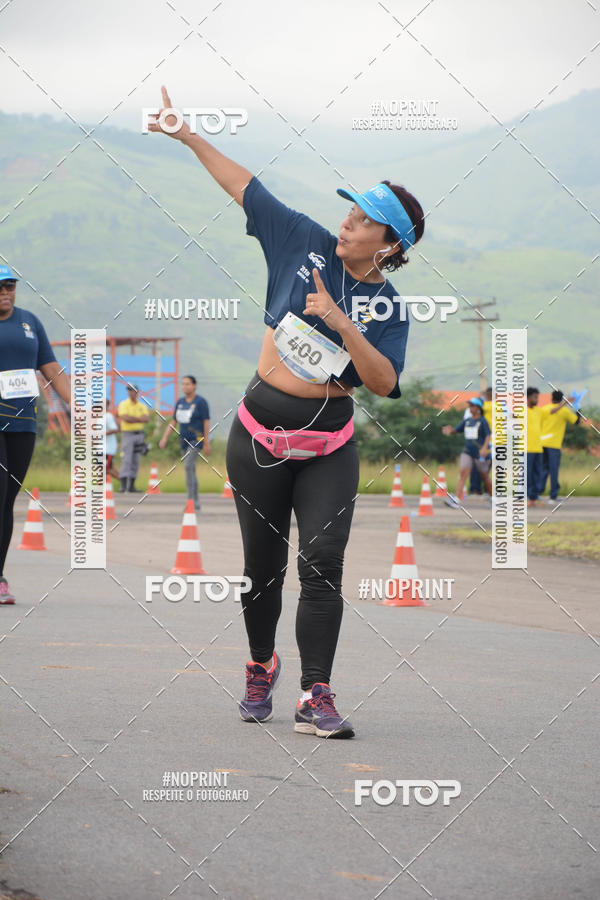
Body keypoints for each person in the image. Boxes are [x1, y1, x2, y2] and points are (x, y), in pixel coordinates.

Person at [148, 86, 424, 739]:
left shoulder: (389, 308)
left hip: (329, 448)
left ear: (389, 245)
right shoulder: (301, 239)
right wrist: (187, 134)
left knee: (323, 564)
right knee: (262, 570)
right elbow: (244, 186)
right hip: (258, 438)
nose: (347, 223)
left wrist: (341, 321)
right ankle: (260, 664)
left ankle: (315, 694)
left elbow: (383, 382)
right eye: (350, 212)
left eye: (363, 220)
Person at [0, 265, 70, 604]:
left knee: (7, 502)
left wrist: (77, 406)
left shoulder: (29, 322)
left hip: (23, 423)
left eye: (10, 286)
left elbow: (51, 369)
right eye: (0, 287)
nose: (5, 292)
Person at [159, 375, 210, 510]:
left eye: (187, 384)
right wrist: (165, 438)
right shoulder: (180, 402)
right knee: (190, 469)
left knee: (188, 466)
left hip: (196, 440)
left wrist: (206, 442)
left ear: (194, 386)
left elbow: (206, 421)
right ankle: (196, 501)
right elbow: (174, 421)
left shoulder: (201, 402)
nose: (185, 386)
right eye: (183, 384)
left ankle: (190, 500)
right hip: (183, 440)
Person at [442, 398, 492, 508]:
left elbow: (488, 435)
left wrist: (485, 448)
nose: (470, 408)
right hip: (467, 451)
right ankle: (456, 500)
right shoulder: (468, 420)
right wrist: (450, 430)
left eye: (472, 406)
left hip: (480, 453)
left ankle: (494, 499)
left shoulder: (483, 421)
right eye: (469, 406)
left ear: (478, 408)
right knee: (463, 472)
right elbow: (457, 430)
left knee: (485, 477)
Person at [539, 390, 579, 502]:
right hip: (554, 445)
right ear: (562, 399)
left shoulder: (544, 409)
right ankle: (553, 495)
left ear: (551, 397)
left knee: (543, 469)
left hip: (542, 443)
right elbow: (576, 421)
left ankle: (538, 492)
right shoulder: (564, 411)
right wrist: (578, 408)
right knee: (554, 470)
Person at [116, 384, 149, 493]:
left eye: (132, 390)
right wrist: (139, 419)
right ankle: (123, 485)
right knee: (126, 459)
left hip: (139, 434)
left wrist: (133, 419)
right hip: (127, 434)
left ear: (137, 392)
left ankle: (131, 486)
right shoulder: (123, 404)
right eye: (129, 390)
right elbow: (125, 418)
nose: (130, 393)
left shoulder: (142, 406)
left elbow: (146, 419)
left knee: (136, 460)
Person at [526, 387, 543, 507]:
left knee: (537, 474)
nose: (537, 399)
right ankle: (526, 497)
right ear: (528, 398)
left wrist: (564, 403)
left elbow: (552, 412)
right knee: (527, 475)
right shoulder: (521, 411)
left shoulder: (539, 411)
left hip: (538, 448)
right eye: (535, 397)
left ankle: (534, 497)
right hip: (526, 449)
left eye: (537, 397)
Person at [105, 399, 120, 482]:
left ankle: (125, 483)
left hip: (108, 449)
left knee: (107, 469)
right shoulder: (100, 417)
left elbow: (115, 429)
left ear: (107, 405)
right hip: (101, 449)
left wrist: (102, 433)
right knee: (103, 469)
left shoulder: (108, 416)